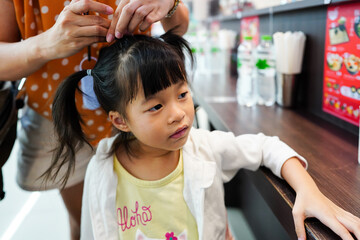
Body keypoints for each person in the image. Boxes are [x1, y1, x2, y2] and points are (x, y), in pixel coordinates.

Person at [50, 31, 360, 240]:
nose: (178, 113)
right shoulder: (102, 170)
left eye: (182, 94)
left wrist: (309, 191)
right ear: (121, 121)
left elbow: (268, 147)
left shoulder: (203, 147)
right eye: (156, 106)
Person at [0, 0, 189, 239]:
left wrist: (169, 3)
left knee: (139, 218)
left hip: (143, 113)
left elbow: (179, 25)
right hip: (59, 117)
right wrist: (45, 44)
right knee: (90, 222)